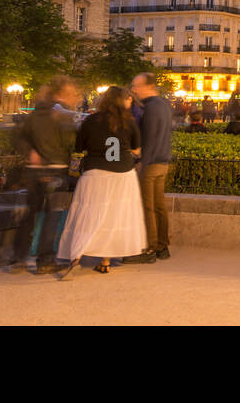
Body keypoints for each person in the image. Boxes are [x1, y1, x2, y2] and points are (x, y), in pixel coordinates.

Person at [57, 86, 148, 279]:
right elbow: (137, 149)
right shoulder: (129, 122)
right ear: (121, 101)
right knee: (114, 216)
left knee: (86, 214)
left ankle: (76, 256)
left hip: (94, 173)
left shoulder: (90, 120)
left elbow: (79, 147)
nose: (131, 102)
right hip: (122, 174)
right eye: (128, 99)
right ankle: (105, 262)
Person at [10, 76, 79, 274]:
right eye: (70, 93)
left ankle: (18, 258)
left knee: (29, 214)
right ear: (59, 94)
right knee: (52, 215)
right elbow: (70, 142)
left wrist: (30, 152)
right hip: (56, 168)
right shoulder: (63, 115)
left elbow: (18, 137)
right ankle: (45, 260)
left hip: (33, 171)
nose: (73, 97)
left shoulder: (35, 114)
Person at [127, 72, 171, 263]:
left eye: (136, 85)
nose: (133, 89)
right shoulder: (163, 105)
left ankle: (150, 249)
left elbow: (149, 137)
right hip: (164, 161)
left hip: (151, 163)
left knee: (148, 207)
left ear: (148, 86)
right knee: (160, 206)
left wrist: (141, 162)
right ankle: (163, 246)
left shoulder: (150, 108)